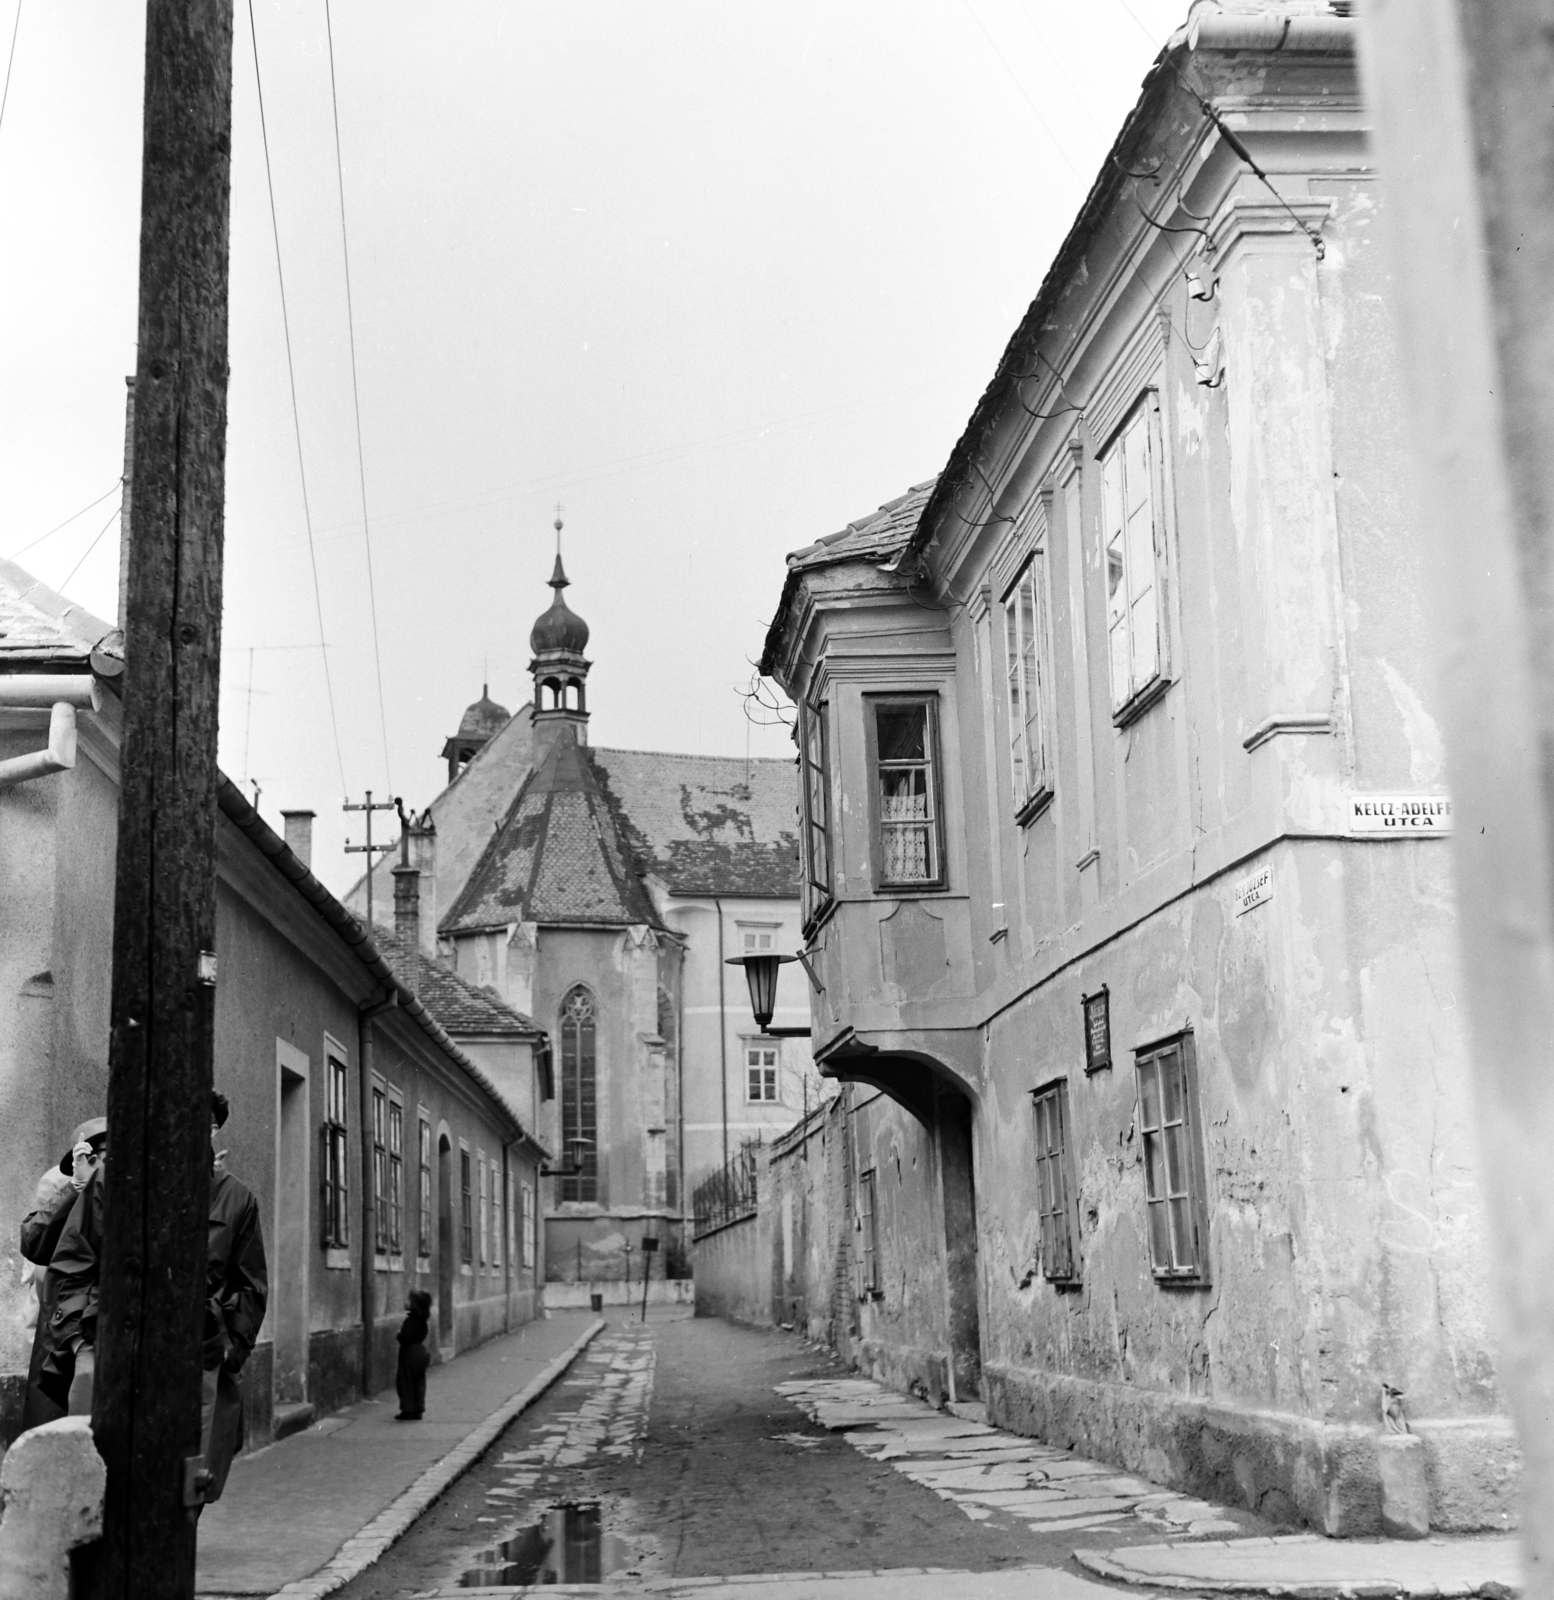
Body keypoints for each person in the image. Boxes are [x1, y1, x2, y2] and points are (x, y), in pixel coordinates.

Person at [202, 1088, 268, 1508]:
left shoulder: (236, 1197)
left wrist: (232, 1348)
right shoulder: (126, 1179)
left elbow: (250, 1283)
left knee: (198, 1473)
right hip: (130, 1353)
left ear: (211, 1130)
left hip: (203, 1352)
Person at [19, 1118, 106, 1429]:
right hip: (61, 1335)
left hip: (102, 1331)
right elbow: (33, 1240)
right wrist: (75, 1189)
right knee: (52, 1429)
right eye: (98, 1156)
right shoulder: (64, 1188)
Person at [394, 1289, 432, 1421]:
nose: (405, 1301)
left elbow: (405, 1337)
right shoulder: (423, 1320)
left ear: (414, 1305)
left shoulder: (410, 1321)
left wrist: (399, 1334)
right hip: (421, 1351)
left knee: (405, 1382)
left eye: (408, 1300)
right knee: (419, 1382)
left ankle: (408, 1410)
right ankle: (418, 1409)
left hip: (409, 1353)